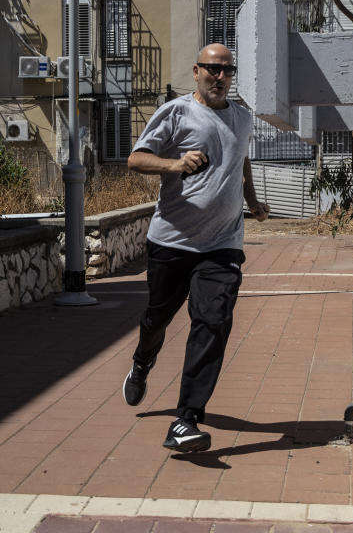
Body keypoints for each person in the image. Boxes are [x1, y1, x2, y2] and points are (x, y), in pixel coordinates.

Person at [123, 43, 270, 453]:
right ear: (196, 71)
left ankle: (185, 419)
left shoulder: (242, 117)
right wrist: (174, 165)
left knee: (213, 321)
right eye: (212, 69)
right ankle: (142, 360)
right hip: (172, 241)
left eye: (226, 71)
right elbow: (135, 159)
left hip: (222, 244)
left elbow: (240, 160)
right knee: (158, 318)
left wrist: (252, 201)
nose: (219, 77)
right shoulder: (177, 113)